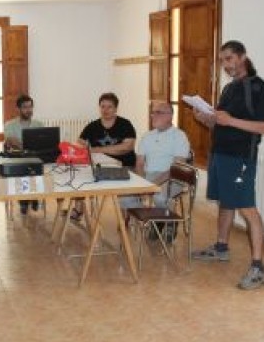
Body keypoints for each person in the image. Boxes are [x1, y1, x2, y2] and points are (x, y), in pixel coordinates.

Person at [192, 40, 264, 290]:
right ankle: (221, 247)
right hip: (220, 154)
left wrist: (230, 120)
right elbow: (222, 123)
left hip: (241, 158)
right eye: (223, 60)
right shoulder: (229, 89)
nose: (225, 65)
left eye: (229, 59)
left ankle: (258, 267)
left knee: (247, 209)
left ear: (242, 57)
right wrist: (207, 119)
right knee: (226, 203)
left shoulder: (259, 88)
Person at [71, 92, 137, 222]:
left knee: (124, 185)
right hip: (99, 166)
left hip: (124, 165)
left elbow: (127, 147)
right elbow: (80, 142)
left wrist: (97, 149)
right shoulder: (93, 126)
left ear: (116, 109)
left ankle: (125, 215)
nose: (105, 110)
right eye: (102, 106)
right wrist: (87, 147)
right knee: (80, 177)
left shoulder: (125, 124)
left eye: (109, 107)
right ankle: (78, 209)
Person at [135, 101, 190, 242]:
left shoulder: (179, 136)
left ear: (170, 116)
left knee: (159, 196)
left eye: (158, 112)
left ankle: (165, 222)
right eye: (153, 112)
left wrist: (152, 185)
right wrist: (141, 183)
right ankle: (142, 222)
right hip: (149, 176)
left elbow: (176, 168)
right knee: (125, 196)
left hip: (173, 177)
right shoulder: (147, 136)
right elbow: (140, 163)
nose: (153, 115)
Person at [3, 94, 44, 215]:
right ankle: (25, 200)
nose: (29, 110)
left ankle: (33, 196)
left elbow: (44, 142)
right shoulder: (10, 124)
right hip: (17, 157)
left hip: (35, 156)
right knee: (24, 166)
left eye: (30, 107)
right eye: (25, 107)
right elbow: (11, 141)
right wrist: (29, 146)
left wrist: (30, 147)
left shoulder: (38, 124)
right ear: (18, 109)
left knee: (37, 165)